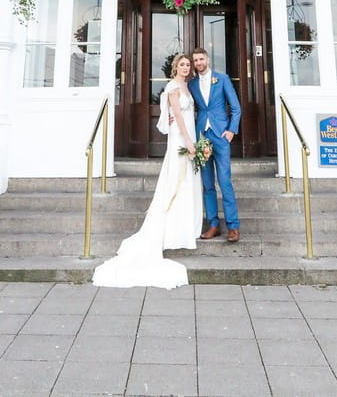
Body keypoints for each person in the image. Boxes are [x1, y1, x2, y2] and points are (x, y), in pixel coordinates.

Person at [92, 53, 203, 289]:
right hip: (181, 139)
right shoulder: (173, 87)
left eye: (187, 65)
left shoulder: (187, 85)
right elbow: (178, 117)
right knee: (177, 180)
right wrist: (189, 141)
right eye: (182, 65)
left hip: (190, 135)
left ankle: (187, 225)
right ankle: (173, 228)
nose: (185, 68)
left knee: (188, 180)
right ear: (175, 67)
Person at [188, 46, 241, 243]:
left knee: (225, 181)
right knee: (207, 183)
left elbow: (236, 108)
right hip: (202, 136)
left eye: (201, 59)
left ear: (207, 60)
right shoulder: (192, 84)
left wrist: (231, 131)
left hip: (221, 135)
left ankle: (233, 226)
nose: (198, 63)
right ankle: (213, 224)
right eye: (195, 61)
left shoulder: (222, 79)